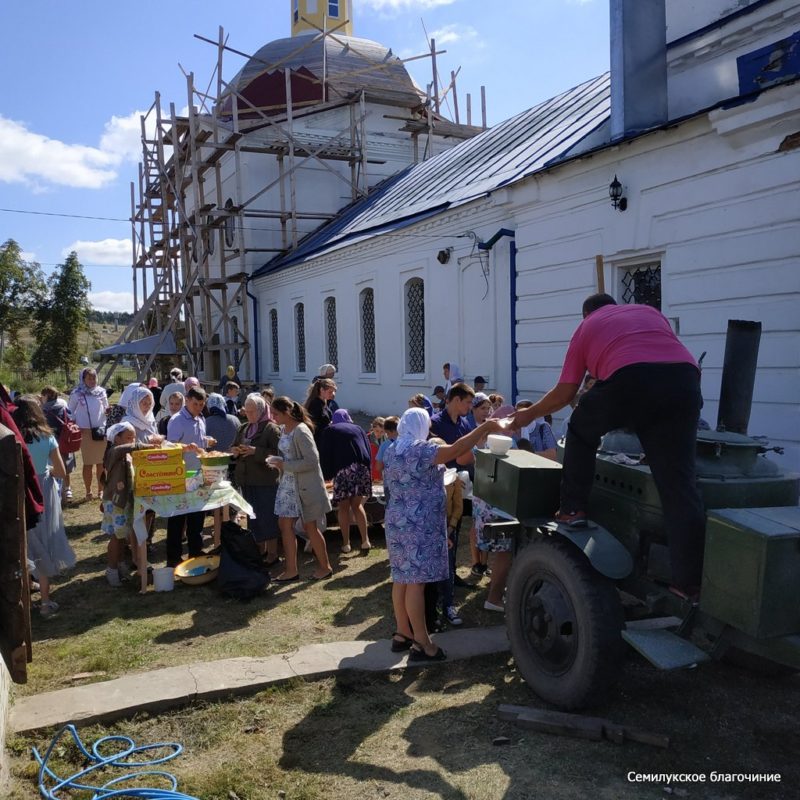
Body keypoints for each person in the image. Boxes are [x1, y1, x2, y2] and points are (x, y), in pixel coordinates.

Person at [513, 293, 705, 598]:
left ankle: (572, 509)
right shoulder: (648, 311)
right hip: (685, 380)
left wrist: (528, 415)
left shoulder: (587, 326)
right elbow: (667, 363)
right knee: (679, 485)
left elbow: (565, 393)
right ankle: (688, 582)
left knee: (579, 429)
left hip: (631, 376)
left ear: (586, 313)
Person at [382, 407, 503, 660]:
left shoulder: (393, 448)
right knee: (417, 583)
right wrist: (483, 427)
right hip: (419, 525)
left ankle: (402, 632)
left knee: (402, 579)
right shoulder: (421, 449)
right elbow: (457, 450)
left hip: (398, 522)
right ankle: (423, 643)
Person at [12, 396, 76, 617]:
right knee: (44, 542)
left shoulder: (12, 438)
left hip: (19, 492)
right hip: (43, 493)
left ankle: (25, 598)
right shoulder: (47, 437)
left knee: (25, 542)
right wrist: (45, 471)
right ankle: (46, 602)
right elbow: (61, 471)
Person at [269, 396, 333, 582]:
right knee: (285, 524)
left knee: (310, 527)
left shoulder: (301, 430)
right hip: (288, 484)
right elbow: (288, 456)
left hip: (304, 486)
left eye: (276, 413)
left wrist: (284, 464)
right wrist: (278, 463)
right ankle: (291, 570)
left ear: (287, 412)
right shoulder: (284, 429)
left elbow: (312, 461)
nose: (273, 417)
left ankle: (325, 567)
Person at [165, 387, 216, 566]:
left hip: (198, 472)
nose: (199, 408)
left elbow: (199, 440)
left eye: (202, 405)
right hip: (181, 474)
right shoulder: (177, 420)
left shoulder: (201, 418)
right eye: (196, 404)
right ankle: (173, 556)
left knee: (197, 514)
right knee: (177, 516)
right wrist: (184, 448)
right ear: (187, 400)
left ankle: (195, 549)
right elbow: (169, 447)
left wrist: (206, 440)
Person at [230, 393, 281, 564]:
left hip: (265, 481)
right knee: (253, 518)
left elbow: (278, 454)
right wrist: (235, 452)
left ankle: (273, 554)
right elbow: (234, 446)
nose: (249, 415)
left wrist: (255, 452)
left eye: (252, 412)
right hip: (247, 480)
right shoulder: (243, 428)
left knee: (268, 517)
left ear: (261, 410)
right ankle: (260, 550)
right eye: (247, 411)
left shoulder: (271, 429)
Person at [101, 421, 150, 587]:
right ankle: (111, 568)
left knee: (123, 535)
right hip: (116, 501)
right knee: (116, 536)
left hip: (124, 501)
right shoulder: (114, 452)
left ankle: (120, 563)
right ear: (117, 439)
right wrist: (150, 445)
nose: (132, 441)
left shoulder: (125, 454)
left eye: (133, 437)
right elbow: (130, 448)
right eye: (128, 438)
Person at [319, 409, 373, 553]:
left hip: (343, 471)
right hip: (361, 470)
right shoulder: (359, 428)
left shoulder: (330, 430)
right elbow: (368, 450)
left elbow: (325, 453)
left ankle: (346, 543)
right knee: (357, 506)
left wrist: (326, 474)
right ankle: (365, 541)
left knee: (343, 507)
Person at [68, 367, 110, 501]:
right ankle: (88, 491)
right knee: (88, 463)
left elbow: (106, 409)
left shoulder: (101, 392)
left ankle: (101, 490)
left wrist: (109, 412)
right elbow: (69, 412)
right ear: (83, 379)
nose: (92, 380)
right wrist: (75, 426)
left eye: (94, 378)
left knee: (101, 463)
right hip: (85, 432)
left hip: (100, 432)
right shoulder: (76, 393)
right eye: (89, 378)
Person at [41, 386, 76, 505]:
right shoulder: (63, 406)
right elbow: (71, 419)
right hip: (65, 440)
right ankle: (67, 491)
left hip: (51, 442)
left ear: (46, 396)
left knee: (53, 468)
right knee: (65, 466)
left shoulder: (42, 410)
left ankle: (57, 495)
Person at [304, 378, 336, 445]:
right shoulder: (315, 405)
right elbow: (314, 426)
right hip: (318, 440)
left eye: (334, 391)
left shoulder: (324, 402)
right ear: (322, 390)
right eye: (330, 392)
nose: (333, 394)